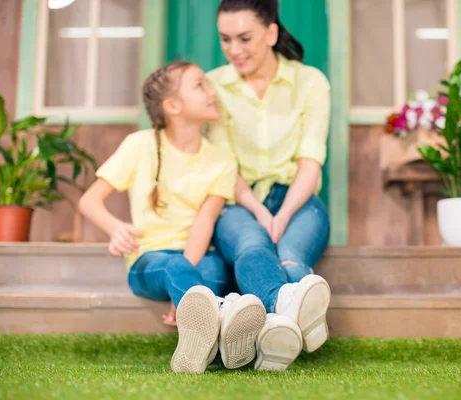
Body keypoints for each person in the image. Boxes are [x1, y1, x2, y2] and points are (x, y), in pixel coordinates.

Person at [79, 60, 267, 374]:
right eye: (199, 85)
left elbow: (205, 223)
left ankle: (204, 342)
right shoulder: (139, 145)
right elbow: (89, 201)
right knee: (175, 266)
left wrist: (184, 292)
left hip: (194, 257)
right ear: (173, 106)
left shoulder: (221, 160)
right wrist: (115, 227)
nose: (211, 91)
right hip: (148, 261)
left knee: (214, 268)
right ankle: (221, 327)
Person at [205, 0, 332, 371]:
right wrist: (261, 212)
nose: (234, 50)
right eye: (225, 39)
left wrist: (284, 212)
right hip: (238, 201)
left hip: (298, 196)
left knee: (291, 253)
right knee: (251, 245)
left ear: (271, 33)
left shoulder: (310, 83)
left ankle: (273, 333)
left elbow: (310, 162)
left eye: (245, 38)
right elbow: (225, 166)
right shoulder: (213, 85)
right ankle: (281, 321)